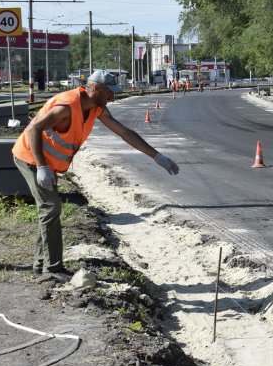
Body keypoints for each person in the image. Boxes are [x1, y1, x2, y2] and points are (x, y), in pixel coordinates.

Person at [12, 69, 180, 280]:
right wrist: (42, 167)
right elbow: (33, 129)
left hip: (49, 164)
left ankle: (41, 264)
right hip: (31, 158)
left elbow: (124, 133)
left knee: (50, 211)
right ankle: (52, 269)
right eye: (110, 92)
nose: (113, 97)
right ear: (97, 88)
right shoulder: (66, 105)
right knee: (50, 207)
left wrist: (156, 156)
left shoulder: (94, 108)